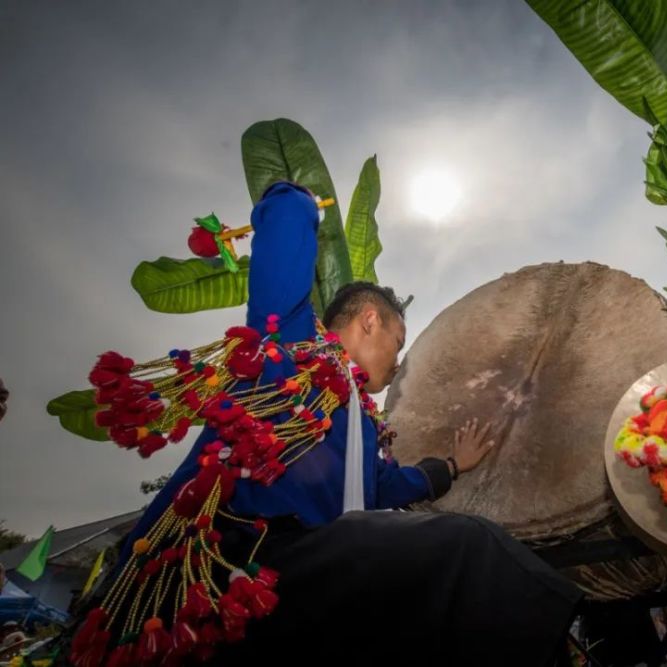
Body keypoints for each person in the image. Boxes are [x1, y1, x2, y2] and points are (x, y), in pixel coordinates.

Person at [68, 182, 581, 666]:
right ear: (369, 320)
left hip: (317, 568)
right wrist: (295, 198)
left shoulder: (363, 424)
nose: (398, 359)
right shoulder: (290, 345)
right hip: (249, 559)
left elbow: (383, 486)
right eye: (398, 342)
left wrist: (450, 465)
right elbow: (282, 235)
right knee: (470, 544)